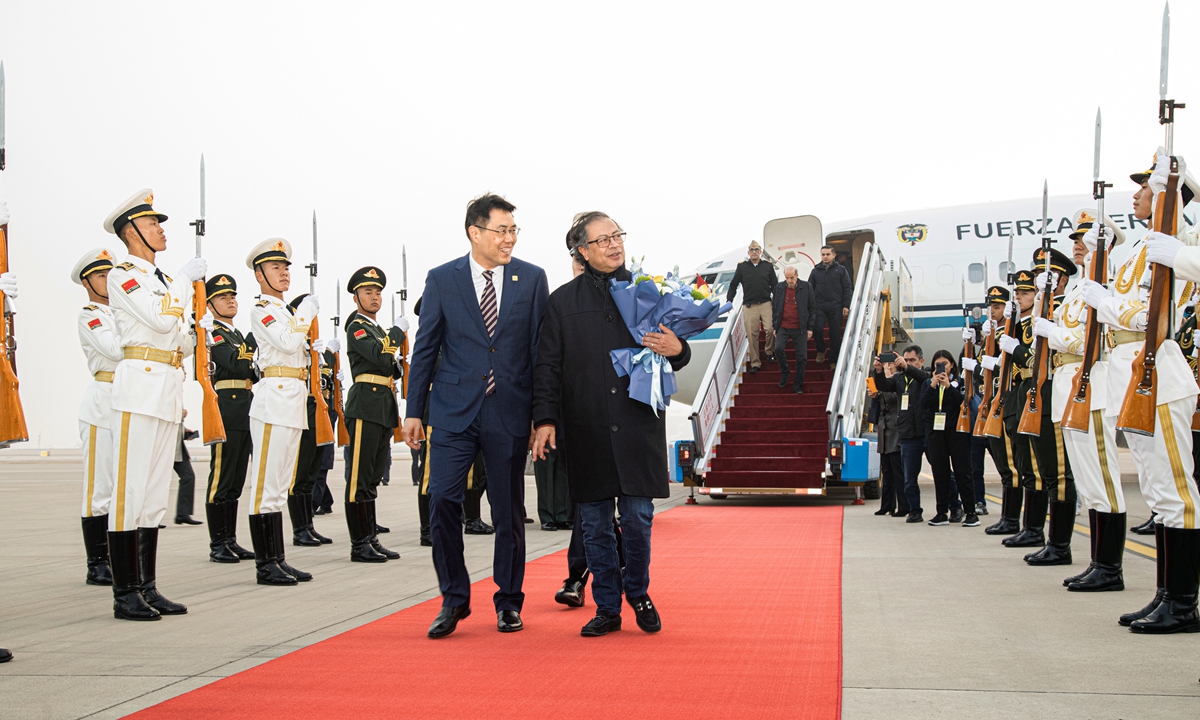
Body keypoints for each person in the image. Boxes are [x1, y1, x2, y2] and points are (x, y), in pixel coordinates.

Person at [533, 209, 690, 637]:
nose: (613, 244)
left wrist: (677, 349)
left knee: (638, 518)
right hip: (587, 427)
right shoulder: (562, 303)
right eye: (601, 240)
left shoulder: (647, 292)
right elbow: (546, 366)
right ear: (581, 251)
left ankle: (638, 592)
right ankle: (606, 606)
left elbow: (677, 351)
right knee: (596, 524)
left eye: (617, 235)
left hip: (637, 423)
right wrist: (545, 419)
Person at [403, 194, 549, 638]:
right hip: (451, 413)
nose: (509, 239)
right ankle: (454, 598)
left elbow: (541, 353)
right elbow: (425, 347)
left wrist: (542, 417)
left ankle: (508, 601)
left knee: (508, 512)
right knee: (443, 502)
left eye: (513, 231)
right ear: (475, 232)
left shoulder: (532, 278)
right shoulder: (442, 279)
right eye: (501, 230)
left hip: (508, 410)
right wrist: (413, 411)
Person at [1107, 152, 1200, 633]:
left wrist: (1182, 185)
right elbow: (1131, 302)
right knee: (1158, 491)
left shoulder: (1177, 235)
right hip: (1133, 372)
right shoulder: (1143, 244)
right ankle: (1166, 594)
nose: (1137, 195)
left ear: (1165, 195)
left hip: (1160, 373)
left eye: (1146, 187)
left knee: (1176, 491)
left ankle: (1184, 603)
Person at [103, 188, 202, 621]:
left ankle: (147, 586)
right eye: (152, 224)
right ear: (131, 231)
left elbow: (181, 338)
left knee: (154, 496)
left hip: (165, 387)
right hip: (138, 388)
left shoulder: (160, 282)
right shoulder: (122, 273)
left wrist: (182, 306)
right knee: (129, 494)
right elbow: (163, 320)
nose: (161, 230)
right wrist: (183, 283)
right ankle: (125, 592)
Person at [1039, 212, 1128, 591]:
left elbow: (1085, 342)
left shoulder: (1102, 286)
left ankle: (1110, 567)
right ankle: (1098, 563)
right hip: (1068, 385)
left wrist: (1052, 333)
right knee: (1089, 481)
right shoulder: (1077, 289)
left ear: (1104, 244)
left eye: (1085, 238)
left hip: (1090, 384)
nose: (1076, 243)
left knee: (1103, 477)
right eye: (1075, 237)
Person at [243, 237, 315, 586]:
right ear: (260, 274)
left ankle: (278, 559)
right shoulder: (262, 310)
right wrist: (306, 314)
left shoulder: (284, 312)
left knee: (281, 484)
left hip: (292, 399)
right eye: (275, 267)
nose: (284, 273)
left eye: (286, 267)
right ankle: (264, 564)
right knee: (265, 486)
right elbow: (287, 342)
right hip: (274, 401)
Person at [342, 266, 407, 562]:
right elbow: (380, 357)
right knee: (359, 477)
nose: (375, 297)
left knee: (372, 478)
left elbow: (391, 367)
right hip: (365, 405)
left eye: (378, 292)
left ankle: (371, 538)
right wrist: (396, 333)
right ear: (356, 297)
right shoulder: (356, 326)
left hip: (382, 406)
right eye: (368, 292)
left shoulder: (378, 330)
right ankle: (359, 544)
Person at [1020, 247, 1077, 567]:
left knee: (1059, 473)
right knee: (1048, 472)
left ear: (1062, 279)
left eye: (1048, 276)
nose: (1041, 280)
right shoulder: (1047, 310)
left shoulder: (1068, 307)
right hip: (1042, 392)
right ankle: (1053, 542)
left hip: (1058, 389)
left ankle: (1060, 545)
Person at [197, 274, 257, 563]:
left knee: (235, 479)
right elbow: (236, 364)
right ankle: (217, 543)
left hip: (244, 406)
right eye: (222, 297)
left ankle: (230, 540)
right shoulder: (215, 333)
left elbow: (252, 372)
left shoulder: (232, 334)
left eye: (232, 296)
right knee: (221, 477)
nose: (230, 300)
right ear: (209, 304)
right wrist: (255, 335)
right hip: (226, 407)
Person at [71, 247, 122, 586]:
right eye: (101, 275)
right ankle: (97, 563)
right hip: (102, 403)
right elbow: (116, 350)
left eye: (110, 274)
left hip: (128, 400)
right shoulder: (90, 315)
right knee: (99, 488)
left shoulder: (121, 313)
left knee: (121, 487)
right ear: (87, 282)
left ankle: (117, 557)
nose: (108, 281)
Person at [998, 269, 1046, 550]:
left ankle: (1034, 529)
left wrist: (1015, 348)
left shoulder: (1035, 324)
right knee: (1022, 463)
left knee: (1033, 467)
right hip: (1015, 397)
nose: (1019, 297)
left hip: (1030, 393)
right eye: (1017, 293)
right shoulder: (1016, 325)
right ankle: (1027, 526)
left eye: (1025, 292)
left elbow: (1032, 361)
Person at [284, 294, 335, 549]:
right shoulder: (293, 341)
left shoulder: (313, 345)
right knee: (300, 475)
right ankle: (299, 529)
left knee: (312, 473)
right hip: (300, 409)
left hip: (317, 410)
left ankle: (308, 526)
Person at [977, 286, 1022, 535]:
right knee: (1003, 466)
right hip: (992, 401)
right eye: (991, 307)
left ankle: (1012, 519)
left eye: (998, 307)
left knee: (1011, 465)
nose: (993, 312)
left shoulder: (1011, 331)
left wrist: (993, 361)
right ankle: (1008, 517)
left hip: (1005, 401)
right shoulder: (992, 333)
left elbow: (1013, 366)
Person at [919, 350, 979, 526]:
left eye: (945, 363)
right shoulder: (927, 384)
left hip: (957, 431)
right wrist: (932, 385)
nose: (942, 367)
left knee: (963, 471)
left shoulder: (960, 382)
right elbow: (923, 405)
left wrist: (948, 386)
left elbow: (963, 403)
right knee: (940, 473)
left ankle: (970, 512)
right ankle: (941, 512)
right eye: (938, 364)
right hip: (936, 432)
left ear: (952, 364)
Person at [872, 345, 928, 523]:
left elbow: (922, 378)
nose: (907, 363)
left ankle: (953, 506)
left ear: (920, 361)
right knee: (906, 476)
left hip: (922, 430)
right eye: (905, 360)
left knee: (941, 472)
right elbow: (884, 386)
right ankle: (912, 510)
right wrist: (879, 372)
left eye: (912, 360)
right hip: (903, 432)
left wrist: (907, 367)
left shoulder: (924, 376)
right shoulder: (899, 379)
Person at [725, 240, 777, 371]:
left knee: (770, 329)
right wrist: (729, 301)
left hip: (765, 303)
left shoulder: (768, 266)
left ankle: (769, 352)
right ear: (748, 253)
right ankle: (755, 363)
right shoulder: (742, 267)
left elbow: (775, 285)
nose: (754, 252)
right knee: (752, 334)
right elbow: (733, 284)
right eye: (752, 250)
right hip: (749, 306)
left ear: (760, 252)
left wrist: (778, 301)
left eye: (756, 250)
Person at [869, 357, 908, 518]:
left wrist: (883, 384)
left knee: (897, 469)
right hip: (884, 425)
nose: (888, 366)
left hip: (895, 425)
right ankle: (887, 504)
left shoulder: (899, 380)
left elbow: (893, 398)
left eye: (891, 363)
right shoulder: (883, 380)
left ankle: (903, 505)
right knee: (886, 469)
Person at [771, 266, 815, 393]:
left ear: (797, 275)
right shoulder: (779, 288)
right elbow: (775, 308)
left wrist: (810, 328)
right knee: (778, 348)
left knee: (802, 357)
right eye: (787, 278)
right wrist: (775, 326)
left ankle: (798, 383)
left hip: (800, 327)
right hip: (783, 326)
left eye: (791, 278)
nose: (789, 280)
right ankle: (785, 372)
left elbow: (812, 308)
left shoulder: (806, 287)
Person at [808, 245, 853, 367]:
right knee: (816, 329)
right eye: (823, 254)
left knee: (835, 334)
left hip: (836, 306)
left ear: (833, 255)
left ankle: (833, 360)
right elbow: (809, 289)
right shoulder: (815, 271)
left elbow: (847, 288)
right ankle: (821, 349)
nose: (825, 257)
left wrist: (846, 305)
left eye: (828, 254)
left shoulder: (841, 270)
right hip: (819, 305)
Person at [171, 418, 201, 525]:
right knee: (158, 482)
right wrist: (180, 415)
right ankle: (150, 519)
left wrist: (184, 431)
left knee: (188, 477)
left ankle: (182, 514)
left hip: (177, 448)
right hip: (165, 448)